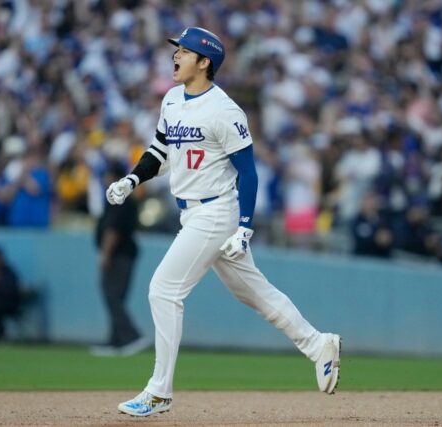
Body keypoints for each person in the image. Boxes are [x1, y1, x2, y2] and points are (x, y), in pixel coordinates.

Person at [106, 27, 342, 417]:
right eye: (176, 50)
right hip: (193, 211)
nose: (175, 57)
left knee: (164, 291)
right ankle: (319, 344)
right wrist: (133, 178)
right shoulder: (172, 99)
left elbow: (248, 173)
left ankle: (159, 392)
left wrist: (245, 227)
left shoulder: (225, 110)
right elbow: (161, 150)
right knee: (254, 293)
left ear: (205, 62)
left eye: (184, 51)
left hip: (216, 211)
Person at [90, 161, 149, 356]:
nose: (104, 180)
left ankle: (131, 336)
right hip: (124, 254)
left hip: (119, 255)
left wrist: (105, 254)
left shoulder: (119, 199)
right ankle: (115, 341)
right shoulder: (127, 199)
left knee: (112, 295)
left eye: (107, 176)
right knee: (116, 296)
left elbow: (113, 230)